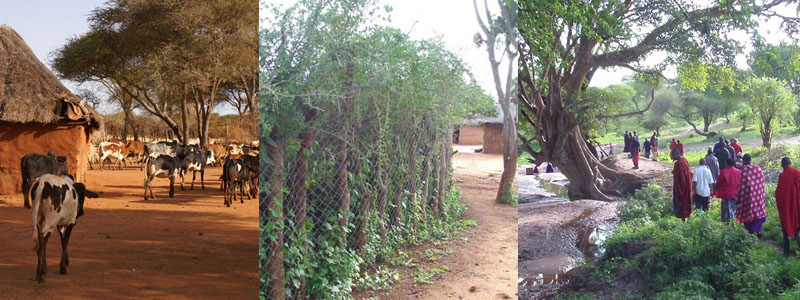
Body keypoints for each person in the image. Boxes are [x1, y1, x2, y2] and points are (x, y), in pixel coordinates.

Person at [737, 154, 766, 236]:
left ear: (744, 161)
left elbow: (742, 185)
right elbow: (762, 181)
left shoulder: (744, 170)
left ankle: (751, 232)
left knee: (749, 213)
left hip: (748, 197)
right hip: (758, 196)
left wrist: (739, 196)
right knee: (758, 212)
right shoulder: (758, 168)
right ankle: (759, 231)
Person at [776, 157, 800, 255]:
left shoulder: (782, 176)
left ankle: (786, 252)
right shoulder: (797, 173)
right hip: (797, 205)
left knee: (787, 225)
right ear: (790, 163)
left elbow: (779, 192)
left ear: (782, 165)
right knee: (796, 226)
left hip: (786, 206)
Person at [716, 157, 742, 223]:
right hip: (736, 195)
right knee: (734, 211)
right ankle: (733, 225)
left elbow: (718, 183)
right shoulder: (738, 172)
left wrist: (714, 191)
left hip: (726, 195)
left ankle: (727, 226)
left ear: (726, 163)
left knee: (726, 213)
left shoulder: (723, 172)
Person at [672, 148, 693, 221]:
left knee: (682, 202)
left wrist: (674, 173)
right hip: (688, 183)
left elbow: (680, 175)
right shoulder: (685, 160)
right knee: (687, 201)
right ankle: (689, 217)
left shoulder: (678, 163)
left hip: (681, 186)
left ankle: (683, 219)